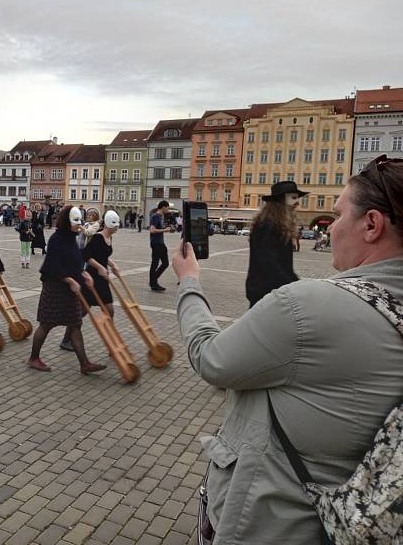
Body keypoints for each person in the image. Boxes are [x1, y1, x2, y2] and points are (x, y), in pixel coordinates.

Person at [172, 154, 403, 544]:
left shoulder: (307, 308)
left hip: (277, 526)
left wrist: (189, 282)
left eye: (337, 215)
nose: (329, 230)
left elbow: (210, 358)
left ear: (371, 224)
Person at [27, 205, 106, 374]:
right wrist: (69, 279)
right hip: (54, 289)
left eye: (80, 220)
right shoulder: (57, 239)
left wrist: (84, 274)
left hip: (70, 291)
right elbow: (52, 265)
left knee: (75, 325)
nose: (79, 224)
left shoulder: (72, 238)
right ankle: (33, 358)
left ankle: (84, 364)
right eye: (75, 221)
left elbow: (75, 261)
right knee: (46, 324)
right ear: (66, 221)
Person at [245, 181, 307, 308]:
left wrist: (296, 283)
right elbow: (268, 262)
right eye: (293, 198)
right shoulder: (267, 225)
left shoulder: (276, 224)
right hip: (266, 292)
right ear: (281, 201)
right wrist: (291, 285)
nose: (297, 202)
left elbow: (282, 265)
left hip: (273, 291)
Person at [82, 210, 121, 317]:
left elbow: (102, 256)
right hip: (92, 277)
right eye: (115, 225)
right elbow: (86, 255)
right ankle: (71, 331)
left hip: (102, 279)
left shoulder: (110, 237)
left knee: (109, 310)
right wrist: (99, 267)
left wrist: (113, 265)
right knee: (82, 311)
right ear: (108, 224)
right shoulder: (98, 237)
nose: (117, 227)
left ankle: (110, 332)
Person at [148, 201, 172, 292]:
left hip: (160, 243)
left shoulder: (161, 217)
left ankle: (153, 280)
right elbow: (152, 230)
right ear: (163, 207)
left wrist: (166, 229)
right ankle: (153, 284)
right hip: (156, 243)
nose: (168, 209)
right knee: (155, 263)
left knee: (165, 263)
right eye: (167, 207)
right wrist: (164, 230)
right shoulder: (155, 216)